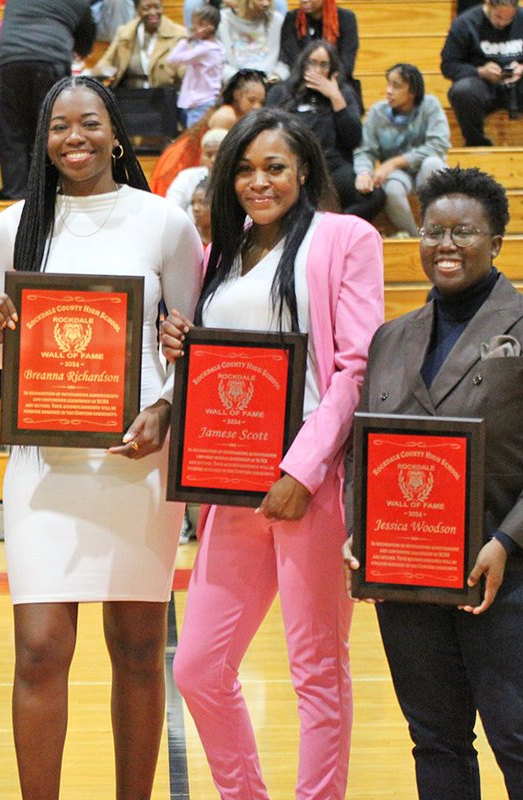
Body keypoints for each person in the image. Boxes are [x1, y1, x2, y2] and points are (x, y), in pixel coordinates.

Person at [0, 75, 202, 799]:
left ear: (115, 133)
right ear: (42, 139)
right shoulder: (13, 227)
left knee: (139, 649)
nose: (75, 138)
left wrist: (164, 408)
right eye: (59, 127)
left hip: (138, 459)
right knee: (41, 651)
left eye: (90, 123)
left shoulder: (164, 222)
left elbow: (189, 345)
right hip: (44, 463)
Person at [161, 107, 384, 800]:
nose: (259, 182)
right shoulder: (220, 252)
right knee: (198, 667)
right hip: (233, 486)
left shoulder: (346, 237)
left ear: (306, 170)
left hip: (309, 485)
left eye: (276, 167)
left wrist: (303, 469)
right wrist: (185, 350)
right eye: (246, 170)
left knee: (317, 670)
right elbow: (222, 366)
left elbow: (356, 367)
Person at [344, 166, 523, 799]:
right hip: (411, 578)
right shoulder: (391, 338)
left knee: (521, 739)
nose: (445, 244)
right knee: (435, 737)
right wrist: (358, 529)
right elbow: (363, 449)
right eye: (432, 230)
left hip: (507, 574)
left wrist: (506, 542)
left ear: (496, 242)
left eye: (464, 231)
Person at [267, 40, 384, 221]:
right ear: (303, 64)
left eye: (323, 65)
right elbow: (268, 131)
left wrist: (335, 97)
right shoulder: (281, 91)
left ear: (332, 68)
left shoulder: (343, 93)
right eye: (312, 63)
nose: (317, 70)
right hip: (294, 167)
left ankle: (333, 226)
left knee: (375, 196)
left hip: (333, 167)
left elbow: (354, 138)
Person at [0, 0, 95, 200]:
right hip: (50, 61)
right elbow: (85, 44)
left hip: (11, 63)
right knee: (51, 130)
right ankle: (48, 193)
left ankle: (15, 194)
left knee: (11, 133)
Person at [353, 63, 450, 237]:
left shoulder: (430, 105)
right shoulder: (377, 112)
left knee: (433, 164)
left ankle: (437, 228)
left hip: (422, 169)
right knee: (391, 190)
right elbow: (365, 150)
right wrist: (364, 172)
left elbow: (438, 145)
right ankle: (416, 238)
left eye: (396, 86)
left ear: (412, 92)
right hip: (398, 175)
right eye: (388, 84)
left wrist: (394, 162)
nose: (389, 91)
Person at [149, 68, 265, 195]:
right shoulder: (227, 116)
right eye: (252, 100)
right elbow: (216, 159)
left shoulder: (237, 115)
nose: (257, 107)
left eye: (261, 102)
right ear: (237, 95)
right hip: (179, 164)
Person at [441, 0, 523, 147]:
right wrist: (480, 71)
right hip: (483, 84)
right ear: (488, 4)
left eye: (510, 18)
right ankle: (477, 144)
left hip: (521, 84)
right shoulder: (465, 23)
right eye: (498, 17)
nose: (503, 23)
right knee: (462, 91)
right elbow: (448, 65)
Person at [91, 0, 187, 90]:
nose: (153, 12)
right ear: (137, 10)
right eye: (146, 8)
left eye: (157, 7)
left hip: (163, 98)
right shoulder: (124, 33)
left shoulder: (178, 35)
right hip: (129, 96)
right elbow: (106, 62)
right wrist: (98, 73)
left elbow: (185, 70)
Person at [167, 5, 225, 129]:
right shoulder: (218, 46)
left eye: (198, 24)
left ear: (209, 27)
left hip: (200, 104)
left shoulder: (203, 50)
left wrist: (189, 39)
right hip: (208, 101)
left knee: (195, 144)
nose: (193, 27)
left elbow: (172, 59)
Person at [280, 0, 359, 84]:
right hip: (301, 81)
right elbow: (292, 59)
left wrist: (328, 85)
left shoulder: (346, 18)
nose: (304, 0)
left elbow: (347, 63)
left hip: (337, 82)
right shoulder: (292, 19)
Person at [218, 0, 287, 83]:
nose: (266, 4)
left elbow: (286, 62)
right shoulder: (221, 21)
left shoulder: (277, 20)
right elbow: (216, 63)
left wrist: (274, 78)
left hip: (270, 82)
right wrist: (240, 81)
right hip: (234, 82)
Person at [165, 126, 225, 209]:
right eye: (209, 155)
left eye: (219, 155)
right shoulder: (186, 177)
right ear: (201, 157)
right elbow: (172, 208)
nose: (213, 160)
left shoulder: (237, 180)